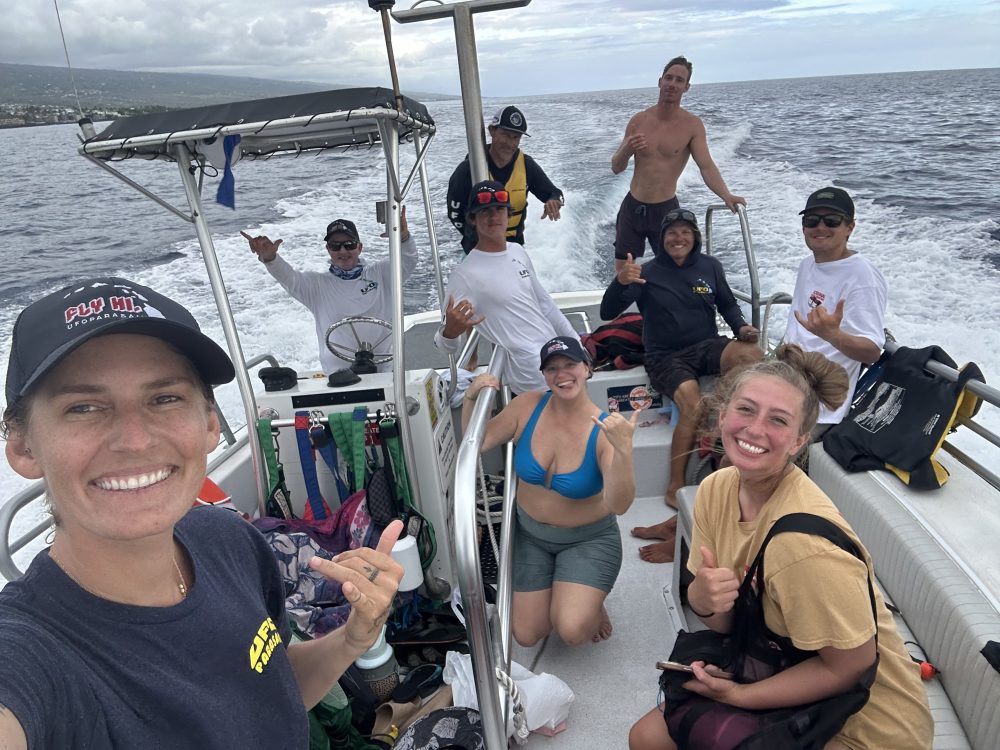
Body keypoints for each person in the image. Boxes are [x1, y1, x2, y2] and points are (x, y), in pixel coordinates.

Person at [0, 277, 404, 748]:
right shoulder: (31, 654)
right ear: (24, 446)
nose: (135, 439)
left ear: (210, 423)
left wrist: (354, 638)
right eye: (84, 407)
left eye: (165, 398)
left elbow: (267, 692)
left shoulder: (229, 541)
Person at [628, 345, 932, 750]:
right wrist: (702, 599)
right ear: (722, 416)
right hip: (780, 665)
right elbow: (726, 622)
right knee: (647, 738)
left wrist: (739, 696)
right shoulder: (716, 490)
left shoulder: (803, 548)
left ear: (798, 441)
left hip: (864, 724)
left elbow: (850, 669)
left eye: (778, 420)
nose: (755, 430)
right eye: (746, 410)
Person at [601, 208, 762, 562]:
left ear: (695, 237)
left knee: (753, 353)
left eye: (685, 232)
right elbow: (607, 311)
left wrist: (741, 329)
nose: (678, 238)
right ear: (661, 239)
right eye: (671, 233)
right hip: (664, 356)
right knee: (690, 399)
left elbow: (729, 306)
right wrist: (622, 281)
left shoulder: (710, 266)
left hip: (706, 346)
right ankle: (675, 484)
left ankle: (723, 412)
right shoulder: (645, 272)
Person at [462, 336, 639, 646]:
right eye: (552, 368)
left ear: (587, 369)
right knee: (527, 636)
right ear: (543, 375)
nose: (562, 375)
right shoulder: (527, 405)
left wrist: (623, 451)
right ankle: (574, 593)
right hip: (530, 536)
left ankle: (592, 602)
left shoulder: (604, 429)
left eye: (570, 365)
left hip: (588, 539)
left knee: (572, 631)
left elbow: (619, 504)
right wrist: (471, 397)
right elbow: (477, 440)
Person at [434, 180, 580, 394]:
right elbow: (442, 344)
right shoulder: (465, 275)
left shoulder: (517, 251)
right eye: (485, 211)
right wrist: (450, 332)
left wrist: (577, 346)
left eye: (499, 209)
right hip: (531, 378)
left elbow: (545, 304)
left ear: (509, 214)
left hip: (558, 360)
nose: (494, 216)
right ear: (473, 219)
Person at [611, 56, 745, 272]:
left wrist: (726, 196)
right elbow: (616, 167)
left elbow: (706, 166)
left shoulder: (692, 125)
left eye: (679, 80)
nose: (672, 84)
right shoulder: (639, 120)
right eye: (669, 78)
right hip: (632, 207)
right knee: (623, 270)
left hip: (665, 210)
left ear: (686, 87)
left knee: (673, 271)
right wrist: (627, 149)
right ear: (660, 81)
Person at [241, 209, 416, 374]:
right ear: (328, 249)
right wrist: (270, 258)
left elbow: (408, 259)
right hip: (337, 377)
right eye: (335, 246)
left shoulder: (382, 273)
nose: (343, 251)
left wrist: (404, 237)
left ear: (359, 247)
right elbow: (288, 278)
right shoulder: (316, 285)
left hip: (386, 372)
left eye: (349, 245)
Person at [784, 186, 888, 434]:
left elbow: (872, 351)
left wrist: (832, 335)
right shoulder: (807, 264)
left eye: (831, 220)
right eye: (812, 221)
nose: (820, 227)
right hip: (785, 377)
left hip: (818, 403)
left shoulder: (862, 277)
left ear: (849, 227)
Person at [447, 106, 564, 254]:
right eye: (506, 135)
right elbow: (454, 213)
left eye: (516, 137)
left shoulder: (527, 166)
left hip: (514, 247)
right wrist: (476, 236)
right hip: (478, 249)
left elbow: (555, 193)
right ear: (492, 131)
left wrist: (553, 200)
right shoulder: (468, 170)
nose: (510, 143)